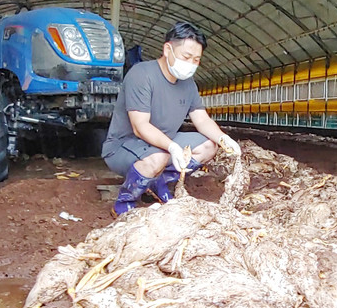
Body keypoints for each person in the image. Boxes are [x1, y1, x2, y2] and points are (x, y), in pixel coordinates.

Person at [101, 21, 241, 216]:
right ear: (168, 49)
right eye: (186, 56)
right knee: (159, 157)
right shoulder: (142, 75)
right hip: (124, 146)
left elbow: (201, 119)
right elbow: (139, 127)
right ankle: (125, 201)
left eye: (196, 60)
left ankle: (159, 182)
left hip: (163, 143)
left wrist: (223, 138)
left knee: (209, 146)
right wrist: (172, 147)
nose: (191, 64)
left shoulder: (188, 84)